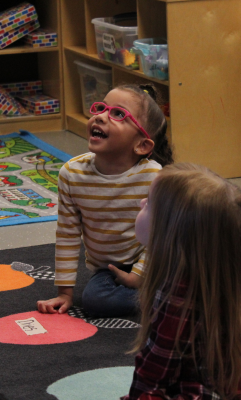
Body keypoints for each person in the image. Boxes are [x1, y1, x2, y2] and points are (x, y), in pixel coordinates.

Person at [122, 163, 241, 400]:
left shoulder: (177, 297)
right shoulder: (225, 282)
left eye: (149, 202)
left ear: (170, 232)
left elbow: (152, 377)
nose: (141, 204)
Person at [37, 83, 173, 318]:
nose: (100, 117)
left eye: (118, 114)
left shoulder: (154, 177)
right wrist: (65, 293)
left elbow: (163, 235)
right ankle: (171, 298)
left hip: (157, 259)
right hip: (110, 269)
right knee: (95, 301)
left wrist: (139, 275)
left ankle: (171, 291)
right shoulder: (72, 174)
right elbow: (68, 233)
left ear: (142, 145)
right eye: (101, 108)